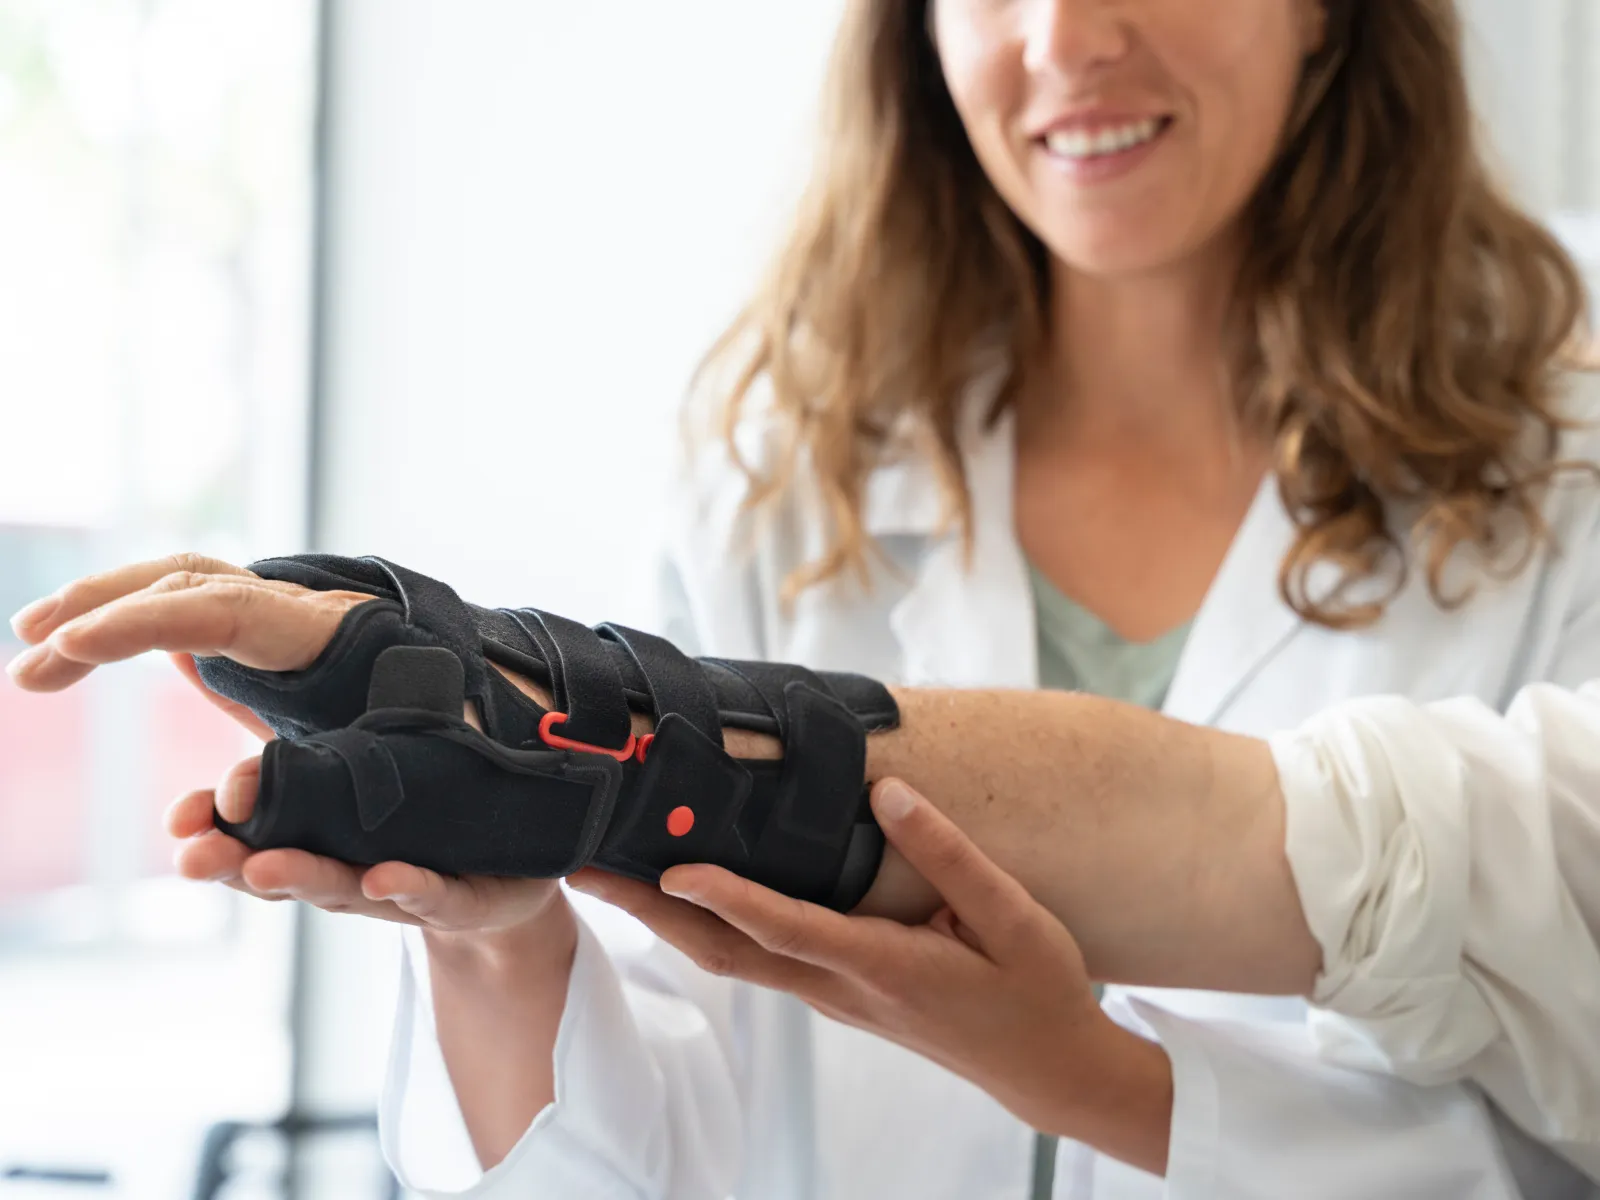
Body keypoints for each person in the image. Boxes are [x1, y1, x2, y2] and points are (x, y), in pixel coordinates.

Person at [8, 0, 1600, 1196]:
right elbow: (649, 1137)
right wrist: (495, 926)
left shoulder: (1568, 445)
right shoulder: (788, 464)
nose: (1068, 40)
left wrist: (1103, 1083)